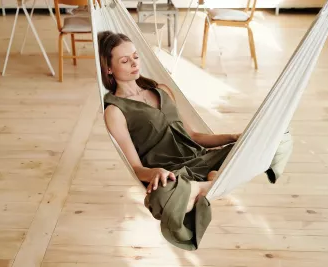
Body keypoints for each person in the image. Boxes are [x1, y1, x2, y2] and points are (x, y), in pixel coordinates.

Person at [97, 30, 293, 250]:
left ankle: (201, 188)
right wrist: (154, 172)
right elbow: (136, 167)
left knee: (275, 135)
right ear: (108, 69)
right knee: (160, 199)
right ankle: (211, 184)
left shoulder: (161, 90)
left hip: (202, 158)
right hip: (172, 174)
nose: (134, 62)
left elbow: (192, 136)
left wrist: (234, 137)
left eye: (135, 56)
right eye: (124, 60)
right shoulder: (114, 110)